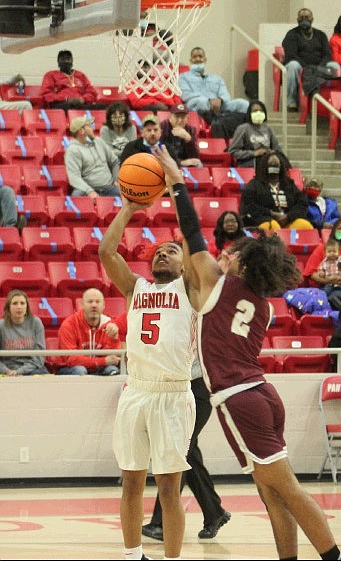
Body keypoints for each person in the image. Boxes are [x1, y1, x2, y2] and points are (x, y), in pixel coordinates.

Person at [154, 143, 341, 561]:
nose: (226, 254)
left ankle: (336, 558)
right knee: (271, 493)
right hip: (262, 395)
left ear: (244, 265)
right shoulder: (265, 305)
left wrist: (177, 184)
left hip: (238, 399)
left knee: (285, 488)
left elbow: (192, 232)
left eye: (233, 253)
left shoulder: (217, 281)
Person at [98, 215, 197, 560]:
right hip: (136, 391)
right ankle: (133, 555)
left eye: (171, 251)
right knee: (131, 481)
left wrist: (186, 232)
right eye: (158, 251)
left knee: (169, 488)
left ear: (185, 264)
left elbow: (198, 255)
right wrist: (126, 208)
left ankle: (172, 558)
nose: (162, 254)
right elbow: (106, 251)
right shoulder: (135, 288)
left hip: (172, 394)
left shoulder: (189, 290)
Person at [142, 357, 231, 542]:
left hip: (196, 389)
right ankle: (214, 512)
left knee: (178, 453)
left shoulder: (195, 328)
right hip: (185, 390)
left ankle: (161, 524)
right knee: (189, 456)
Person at [282, 8, 341, 112]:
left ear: (312, 19)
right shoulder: (291, 34)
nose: (304, 19)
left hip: (319, 67)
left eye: (307, 17)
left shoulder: (321, 35)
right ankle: (292, 102)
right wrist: (307, 67)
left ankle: (334, 101)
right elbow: (291, 55)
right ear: (297, 19)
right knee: (292, 65)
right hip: (300, 66)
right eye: (301, 17)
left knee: (335, 66)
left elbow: (327, 54)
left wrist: (320, 67)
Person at [240, 150, 313, 230]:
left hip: (288, 220)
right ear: (264, 166)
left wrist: (288, 216)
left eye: (276, 165)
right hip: (264, 221)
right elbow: (250, 206)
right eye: (271, 164)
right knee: (273, 226)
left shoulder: (289, 184)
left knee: (305, 225)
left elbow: (302, 203)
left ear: (281, 167)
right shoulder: (254, 185)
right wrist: (272, 214)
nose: (274, 167)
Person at [57, 288, 121, 376]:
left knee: (112, 370)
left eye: (98, 302)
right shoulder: (69, 324)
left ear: (103, 306)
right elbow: (70, 359)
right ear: (82, 305)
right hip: (71, 367)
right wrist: (102, 361)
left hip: (100, 367)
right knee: (80, 370)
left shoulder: (110, 325)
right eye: (90, 302)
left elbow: (114, 357)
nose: (94, 305)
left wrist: (114, 339)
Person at [179, 47, 249, 114]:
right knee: (201, 101)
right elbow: (186, 95)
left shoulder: (217, 79)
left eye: (200, 56)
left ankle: (249, 125)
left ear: (205, 59)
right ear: (191, 60)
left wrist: (220, 100)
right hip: (197, 105)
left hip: (219, 106)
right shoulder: (183, 77)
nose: (198, 59)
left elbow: (225, 95)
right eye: (194, 57)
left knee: (242, 103)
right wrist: (209, 101)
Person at [65, 115, 120, 200]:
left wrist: (117, 179)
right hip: (88, 189)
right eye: (89, 126)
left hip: (109, 187)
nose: (92, 128)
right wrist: (89, 191)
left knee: (128, 193)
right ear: (81, 131)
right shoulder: (72, 150)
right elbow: (74, 177)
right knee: (77, 195)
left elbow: (115, 162)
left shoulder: (99, 141)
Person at [39, 50, 107, 112]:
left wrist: (82, 99)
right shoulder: (51, 75)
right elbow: (46, 94)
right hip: (62, 105)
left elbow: (91, 92)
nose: (66, 61)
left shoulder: (81, 75)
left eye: (68, 59)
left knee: (102, 106)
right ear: (58, 63)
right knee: (66, 107)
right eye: (63, 59)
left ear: (72, 62)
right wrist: (66, 99)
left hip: (81, 104)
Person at [0, 289, 48, 376]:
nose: (19, 307)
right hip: (7, 369)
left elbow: (40, 356)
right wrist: (6, 371)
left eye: (22, 303)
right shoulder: (1, 325)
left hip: (32, 368)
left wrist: (20, 371)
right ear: (8, 307)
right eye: (15, 303)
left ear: (27, 306)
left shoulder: (36, 322)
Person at [228, 99, 284, 168]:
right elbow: (233, 152)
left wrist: (272, 152)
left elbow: (278, 149)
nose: (258, 113)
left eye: (261, 111)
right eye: (255, 111)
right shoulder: (243, 128)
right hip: (249, 163)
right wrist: (255, 153)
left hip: (267, 161)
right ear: (249, 113)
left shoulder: (268, 128)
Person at [160, 103, 202, 167]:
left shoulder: (191, 130)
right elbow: (160, 153)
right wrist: (180, 163)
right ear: (170, 117)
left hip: (185, 161)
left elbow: (195, 156)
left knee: (198, 164)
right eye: (177, 117)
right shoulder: (163, 127)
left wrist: (189, 140)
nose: (180, 120)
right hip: (167, 162)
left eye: (183, 117)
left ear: (187, 118)